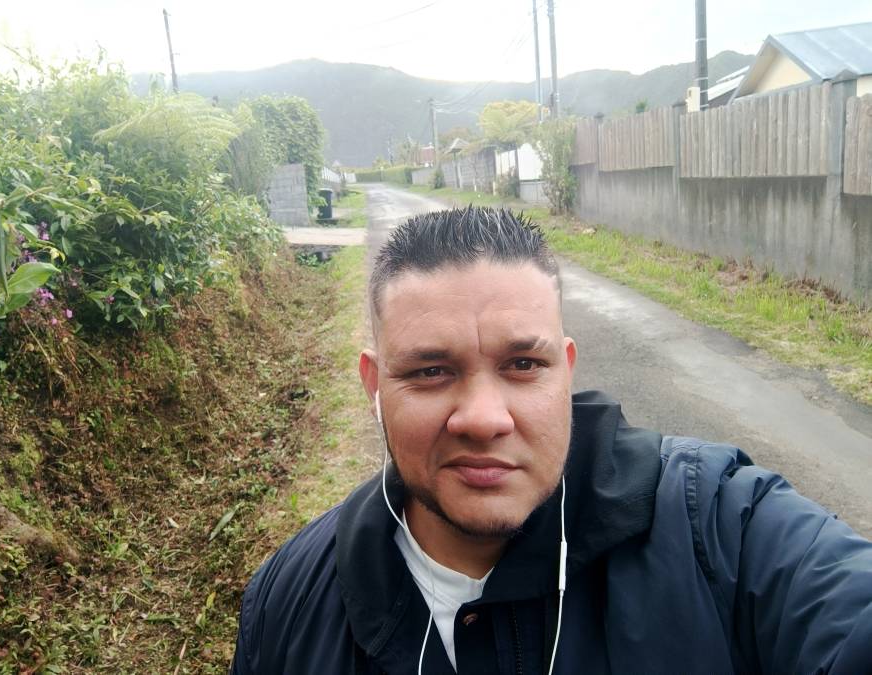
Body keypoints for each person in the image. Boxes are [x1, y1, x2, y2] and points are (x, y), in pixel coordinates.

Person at [231, 207, 872, 674]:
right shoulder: (287, 604)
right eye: (430, 371)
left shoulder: (724, 529)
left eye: (523, 365)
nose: (484, 419)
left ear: (566, 371)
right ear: (374, 385)